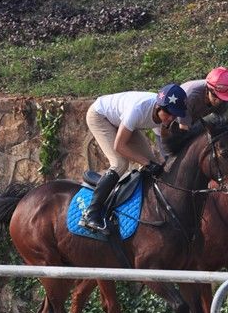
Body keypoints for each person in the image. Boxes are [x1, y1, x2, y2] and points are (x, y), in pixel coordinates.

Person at [79, 83, 188, 234]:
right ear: (158, 107)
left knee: (154, 164)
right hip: (100, 116)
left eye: (175, 115)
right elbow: (120, 146)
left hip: (122, 121)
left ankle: (145, 208)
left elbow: (164, 148)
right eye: (169, 113)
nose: (171, 118)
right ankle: (91, 214)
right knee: (120, 163)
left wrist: (160, 163)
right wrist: (146, 163)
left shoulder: (164, 117)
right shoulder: (138, 110)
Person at [176, 66, 228, 131]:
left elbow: (220, 123)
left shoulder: (223, 100)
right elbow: (183, 128)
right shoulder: (190, 96)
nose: (218, 101)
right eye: (216, 96)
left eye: (222, 98)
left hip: (192, 121)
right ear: (208, 89)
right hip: (173, 121)